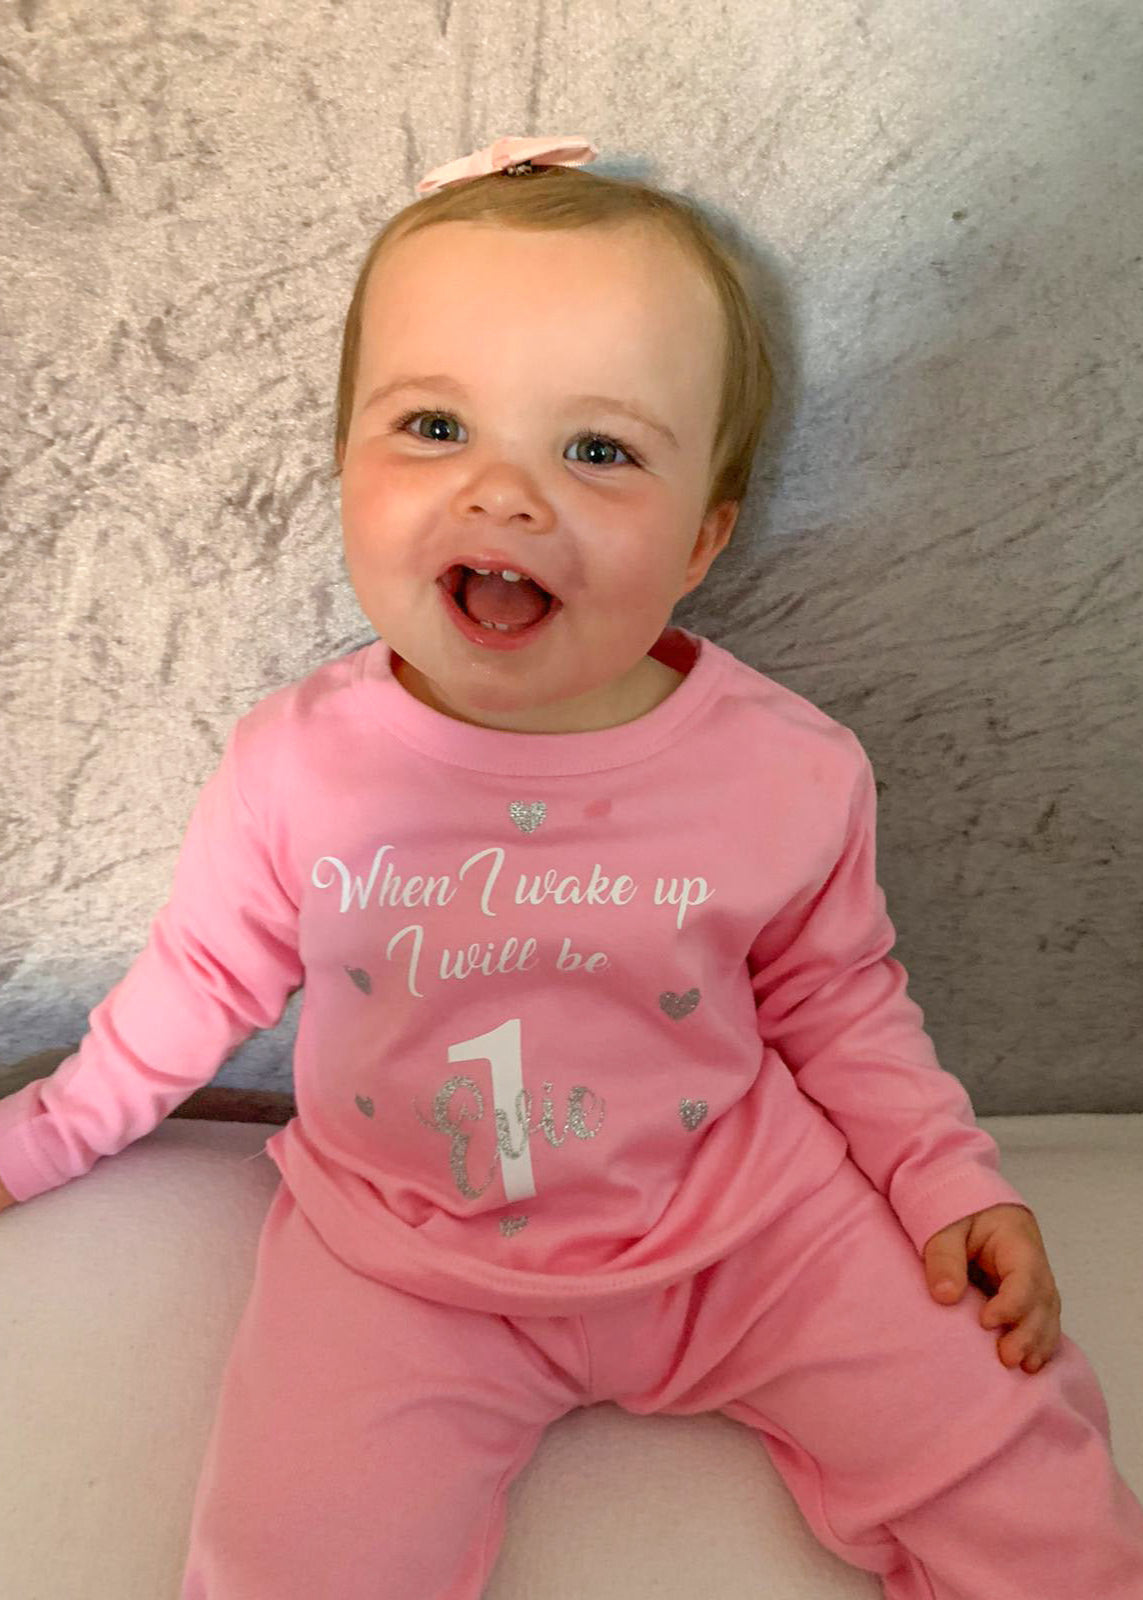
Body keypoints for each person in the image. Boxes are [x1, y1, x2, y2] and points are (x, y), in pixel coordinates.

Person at [1, 134, 1141, 1600]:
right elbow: (197, 983)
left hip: (751, 1227)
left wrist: (945, 1182)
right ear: (340, 464)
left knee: (1012, 1460)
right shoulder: (298, 766)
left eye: (597, 451)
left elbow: (840, 1001)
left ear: (703, 539)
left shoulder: (784, 768)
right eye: (433, 427)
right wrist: (41, 1138)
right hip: (405, 1262)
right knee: (295, 1559)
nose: (505, 496)